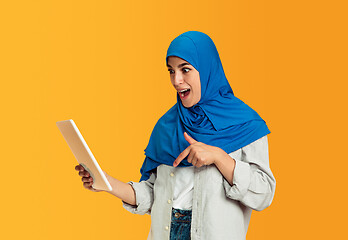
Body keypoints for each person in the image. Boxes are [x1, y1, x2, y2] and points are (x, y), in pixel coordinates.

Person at [75, 31, 276, 240]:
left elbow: (264, 194)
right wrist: (106, 182)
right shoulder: (167, 126)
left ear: (207, 69)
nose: (176, 80)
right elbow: (154, 195)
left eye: (185, 70)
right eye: (171, 71)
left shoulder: (244, 123)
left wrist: (219, 157)